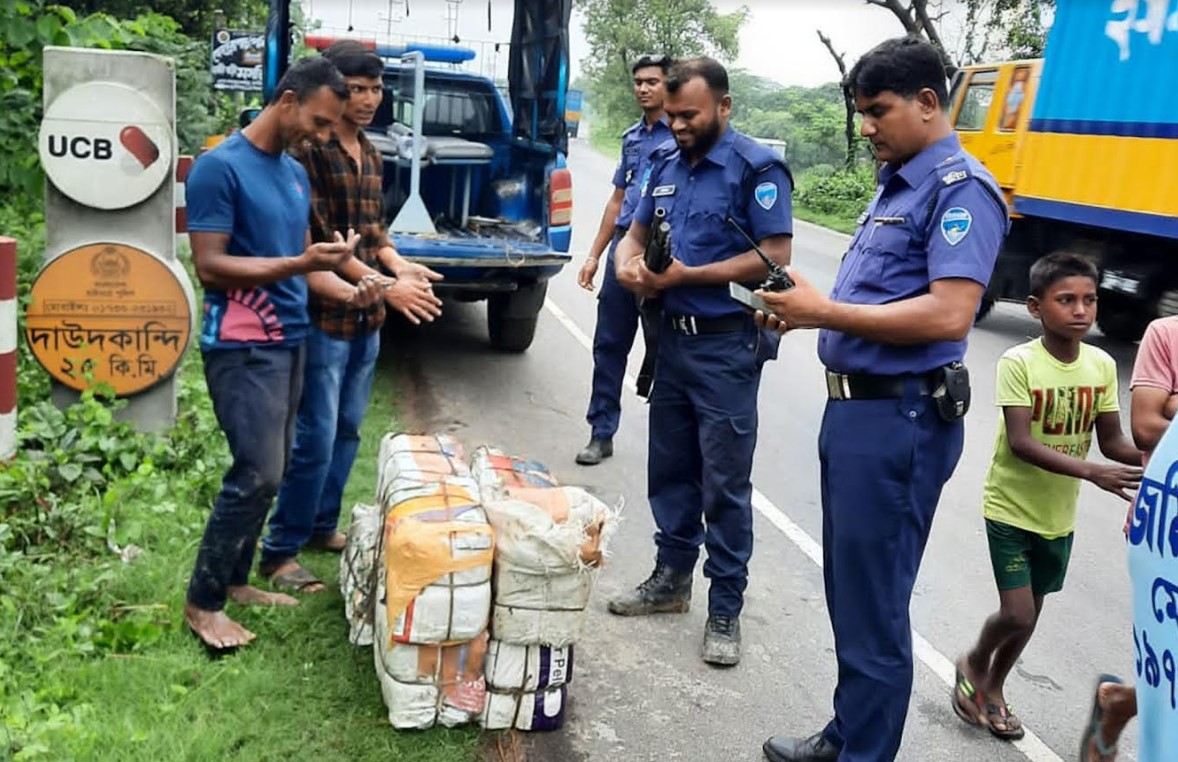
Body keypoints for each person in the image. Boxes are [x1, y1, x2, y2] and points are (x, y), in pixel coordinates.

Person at [756, 37, 1009, 762]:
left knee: (874, 604)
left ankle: (863, 753)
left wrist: (824, 314)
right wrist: (801, 309)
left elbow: (947, 316)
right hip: (857, 413)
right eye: (861, 112)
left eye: (878, 111)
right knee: (855, 594)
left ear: (929, 103)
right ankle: (850, 733)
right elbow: (869, 301)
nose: (866, 127)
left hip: (899, 418)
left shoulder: (961, 189)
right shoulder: (898, 181)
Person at [183, 57, 382, 652]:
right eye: (320, 122)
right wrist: (300, 265)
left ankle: (237, 581)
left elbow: (304, 256)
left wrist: (358, 287)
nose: (322, 136)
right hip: (242, 345)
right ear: (288, 100)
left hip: (290, 338)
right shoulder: (220, 168)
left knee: (272, 471)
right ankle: (203, 602)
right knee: (257, 471)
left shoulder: (293, 174)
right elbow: (211, 266)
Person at [607, 57, 793, 667]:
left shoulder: (756, 170)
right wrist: (627, 267)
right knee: (671, 467)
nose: (678, 124)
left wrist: (690, 275)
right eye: (673, 114)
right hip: (672, 343)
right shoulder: (662, 163)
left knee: (725, 481)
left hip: (726, 344)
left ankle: (725, 606)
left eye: (690, 114)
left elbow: (771, 258)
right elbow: (633, 235)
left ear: (724, 106)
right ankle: (670, 579)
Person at [258, 41, 443, 593]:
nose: (367, 100)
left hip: (365, 323)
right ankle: (280, 549)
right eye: (356, 89)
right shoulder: (307, 153)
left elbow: (374, 232)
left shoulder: (371, 151)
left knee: (348, 430)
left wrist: (401, 267)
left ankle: (320, 526)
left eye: (375, 89)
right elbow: (319, 245)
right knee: (314, 434)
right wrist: (388, 287)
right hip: (325, 315)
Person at [950, 254, 1141, 742]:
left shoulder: (1099, 366)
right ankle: (973, 660)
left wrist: (1157, 461)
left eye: (1090, 300)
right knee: (1017, 613)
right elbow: (1022, 441)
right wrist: (1092, 471)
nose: (1081, 310)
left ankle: (994, 686)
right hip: (1011, 506)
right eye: (1067, 300)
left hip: (1057, 514)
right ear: (1035, 307)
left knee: (1032, 613)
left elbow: (1114, 441)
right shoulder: (1020, 362)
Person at [1079, 314, 1178, 762]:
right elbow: (1146, 427)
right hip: (1165, 532)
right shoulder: (1166, 334)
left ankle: (1118, 702)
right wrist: (1167, 409)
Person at [574, 53, 674, 466]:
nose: (643, 88)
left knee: (665, 350)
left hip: (662, 255)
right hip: (622, 250)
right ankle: (601, 432)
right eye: (638, 82)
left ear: (670, 85)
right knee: (610, 343)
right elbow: (618, 200)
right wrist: (595, 255)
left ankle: (669, 443)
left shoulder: (683, 136)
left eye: (652, 81)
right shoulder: (633, 138)